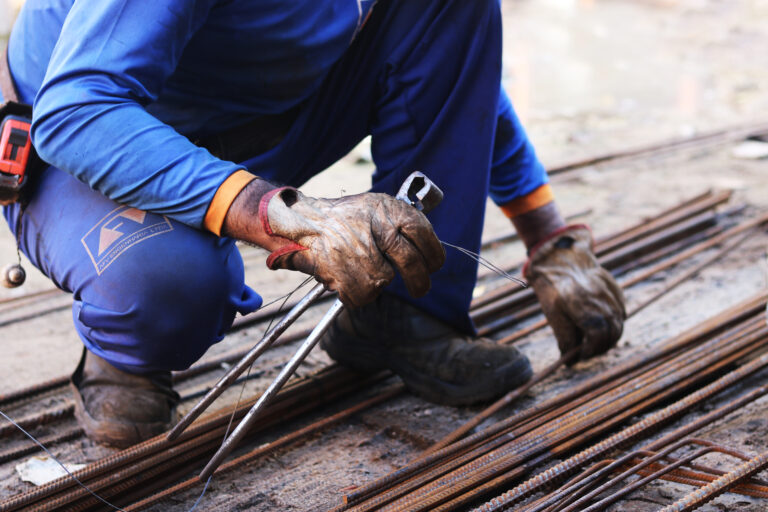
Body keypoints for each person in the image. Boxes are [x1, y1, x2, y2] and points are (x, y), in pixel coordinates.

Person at [1, 0, 625, 448]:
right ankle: (126, 355)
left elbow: (450, 62)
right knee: (166, 285)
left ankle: (407, 316)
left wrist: (548, 234)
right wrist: (275, 213)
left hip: (248, 121)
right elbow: (79, 112)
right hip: (81, 141)